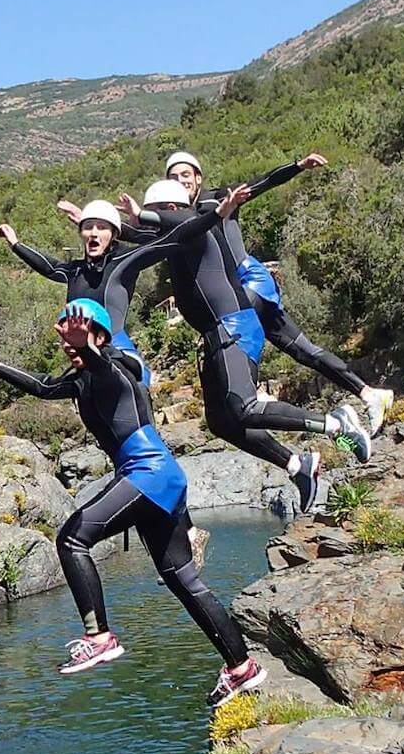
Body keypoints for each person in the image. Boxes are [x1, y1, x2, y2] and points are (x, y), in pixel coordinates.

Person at [0, 298, 267, 707]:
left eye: (80, 332)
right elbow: (42, 386)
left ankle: (99, 637)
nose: (69, 342)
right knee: (183, 580)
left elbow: (104, 366)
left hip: (147, 471)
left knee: (71, 538)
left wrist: (87, 346)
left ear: (100, 335)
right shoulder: (82, 377)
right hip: (159, 476)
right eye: (66, 335)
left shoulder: (115, 365)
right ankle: (241, 667)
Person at [120, 167, 371, 514]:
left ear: (172, 209)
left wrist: (140, 214)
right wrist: (96, 226)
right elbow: (136, 239)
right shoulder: (173, 236)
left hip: (233, 325)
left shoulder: (193, 223)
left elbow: (182, 221)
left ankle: (336, 423)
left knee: (244, 406)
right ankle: (298, 466)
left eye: (158, 212)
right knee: (222, 423)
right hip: (214, 335)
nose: (153, 222)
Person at [159, 150, 394, 431]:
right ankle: (370, 395)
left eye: (185, 175)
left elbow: (264, 181)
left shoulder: (220, 198)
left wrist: (298, 166)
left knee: (231, 330)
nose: (180, 180)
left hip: (249, 283)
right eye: (173, 177)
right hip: (235, 298)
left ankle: (252, 389)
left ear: (198, 178)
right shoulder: (175, 218)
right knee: (304, 351)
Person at [0, 196, 216, 387]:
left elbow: (172, 239)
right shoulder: (75, 271)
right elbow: (48, 267)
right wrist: (15, 244)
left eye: (102, 227)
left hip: (117, 350)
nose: (94, 233)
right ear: (81, 232)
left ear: (114, 234)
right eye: (88, 226)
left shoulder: (125, 260)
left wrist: (217, 213)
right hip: (84, 351)